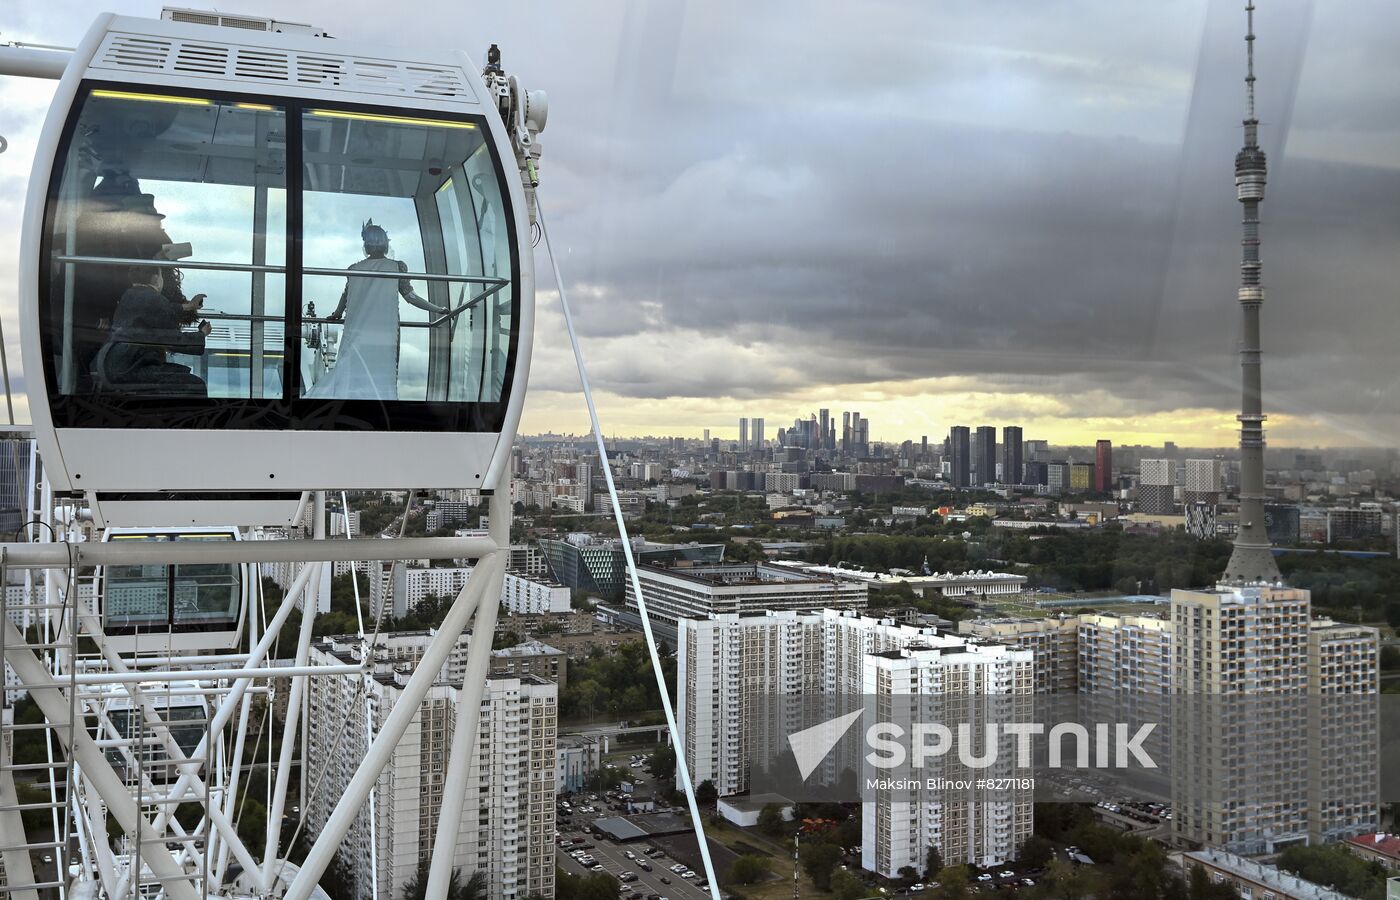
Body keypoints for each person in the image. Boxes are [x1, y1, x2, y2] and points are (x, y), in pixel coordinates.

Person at [304, 220, 447, 401]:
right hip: (384, 331)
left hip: (356, 330)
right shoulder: (397, 267)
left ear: (366, 244)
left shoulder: (354, 269)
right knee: (383, 371)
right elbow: (411, 297)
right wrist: (438, 310)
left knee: (351, 369)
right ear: (385, 244)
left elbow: (345, 297)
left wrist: (336, 314)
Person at [93, 266, 211, 396]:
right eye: (161, 276)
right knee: (195, 384)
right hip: (127, 368)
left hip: (110, 363)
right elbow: (173, 340)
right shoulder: (153, 298)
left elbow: (162, 308)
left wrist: (189, 306)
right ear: (156, 278)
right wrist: (201, 334)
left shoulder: (130, 294)